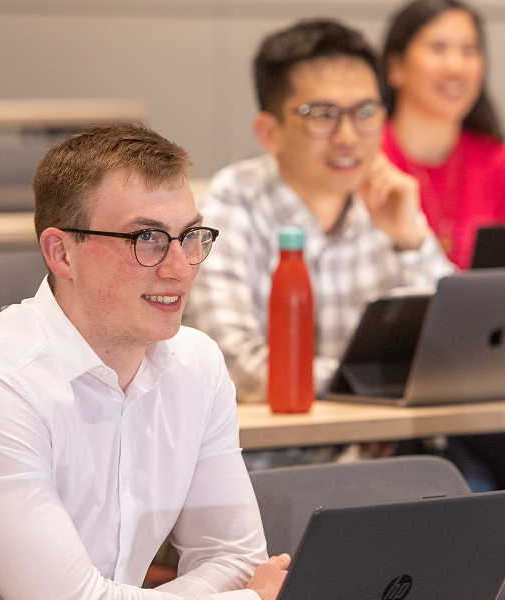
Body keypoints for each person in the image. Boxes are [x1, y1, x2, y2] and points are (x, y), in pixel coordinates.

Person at [0, 124, 288, 600]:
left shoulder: (198, 365)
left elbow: (234, 558)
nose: (179, 268)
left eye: (189, 236)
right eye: (148, 238)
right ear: (61, 253)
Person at [186, 18, 454, 406]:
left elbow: (459, 347)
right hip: (274, 443)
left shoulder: (386, 200)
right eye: (322, 114)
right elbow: (239, 368)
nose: (348, 137)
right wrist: (374, 377)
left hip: (383, 438)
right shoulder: (229, 206)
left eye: (365, 111)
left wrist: (411, 243)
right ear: (269, 132)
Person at [379, 0, 505, 269]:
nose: (455, 66)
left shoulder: (503, 163)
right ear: (396, 67)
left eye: (468, 50)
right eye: (438, 48)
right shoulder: (367, 159)